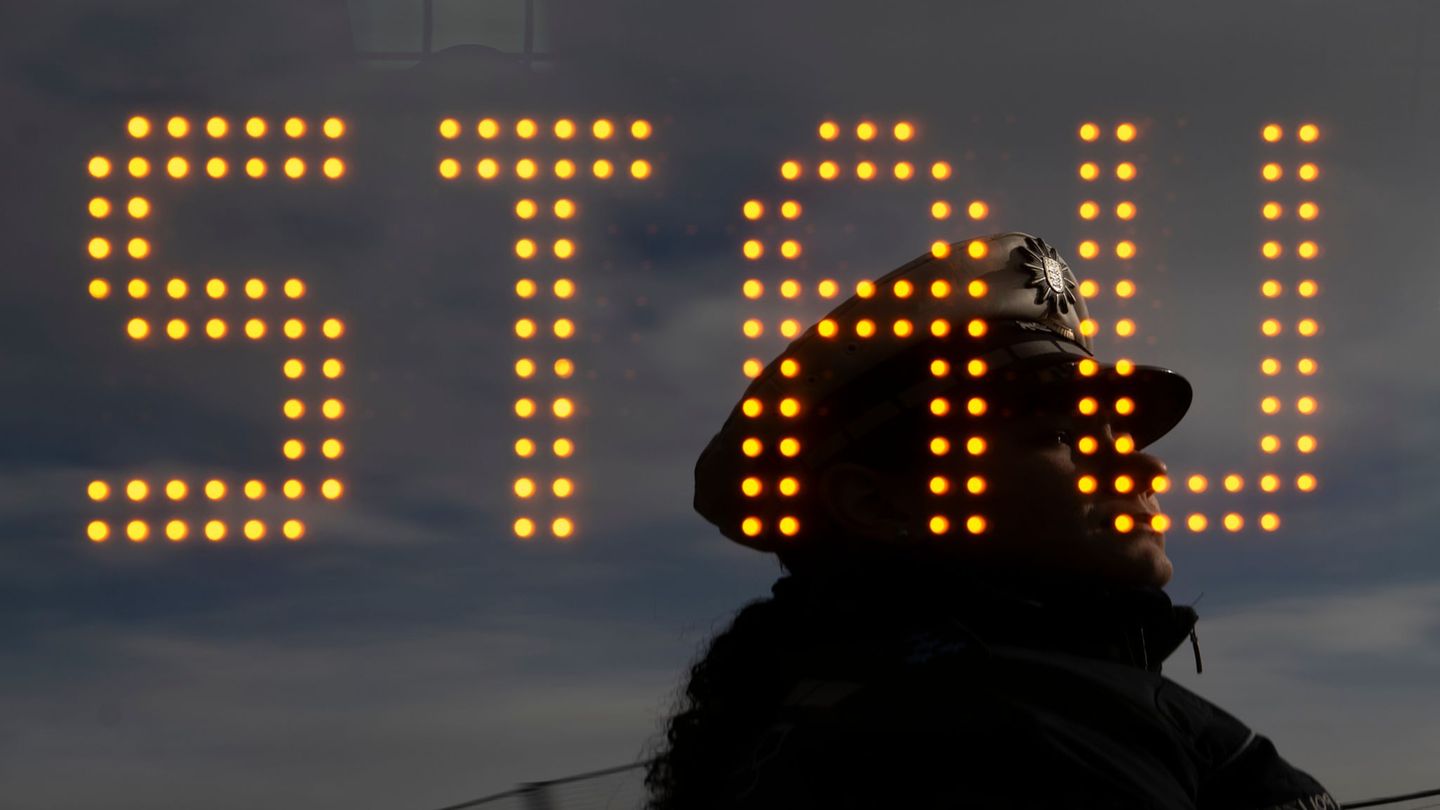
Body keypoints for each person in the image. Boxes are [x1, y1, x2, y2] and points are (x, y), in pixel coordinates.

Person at [645, 233, 1338, 809]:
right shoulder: (988, 733)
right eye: (1063, 438)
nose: (1144, 471)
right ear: (878, 504)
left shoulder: (840, 702)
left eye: (1119, 438)